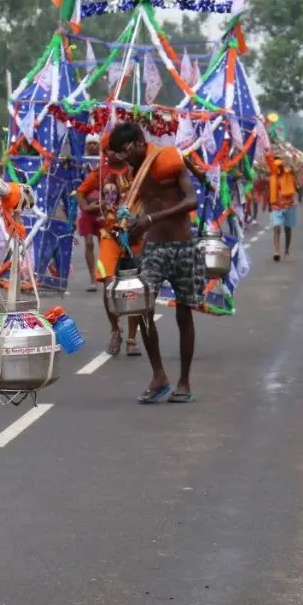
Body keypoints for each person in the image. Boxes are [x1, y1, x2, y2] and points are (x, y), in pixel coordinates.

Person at [108, 122, 203, 404]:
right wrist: (129, 226)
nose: (124, 160)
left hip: (183, 246)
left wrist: (152, 219)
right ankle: (158, 375)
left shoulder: (169, 159)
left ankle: (184, 381)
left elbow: (191, 200)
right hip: (155, 248)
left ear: (139, 142)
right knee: (141, 306)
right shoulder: (134, 175)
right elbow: (138, 209)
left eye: (125, 152)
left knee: (184, 314)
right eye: (119, 156)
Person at [77, 149, 142, 354]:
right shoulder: (100, 173)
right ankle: (115, 330)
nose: (115, 152)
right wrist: (90, 208)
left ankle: (132, 339)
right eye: (111, 149)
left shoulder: (137, 170)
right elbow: (81, 192)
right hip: (109, 236)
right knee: (108, 284)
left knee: (133, 289)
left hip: (134, 239)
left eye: (119, 147)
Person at [75, 135, 104, 293]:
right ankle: (93, 279)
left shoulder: (104, 163)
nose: (93, 146)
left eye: (95, 143)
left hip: (102, 208)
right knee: (89, 243)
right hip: (86, 207)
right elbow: (78, 187)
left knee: (103, 242)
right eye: (90, 144)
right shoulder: (81, 163)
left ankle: (104, 275)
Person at [268, 157, 298, 262]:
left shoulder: (289, 176)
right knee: (276, 228)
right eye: (276, 167)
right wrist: (269, 204)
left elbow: (296, 172)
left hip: (289, 205)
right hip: (276, 206)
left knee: (288, 229)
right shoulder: (272, 178)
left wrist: (290, 162)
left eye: (279, 167)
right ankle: (276, 251)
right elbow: (270, 192)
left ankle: (287, 250)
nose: (278, 169)